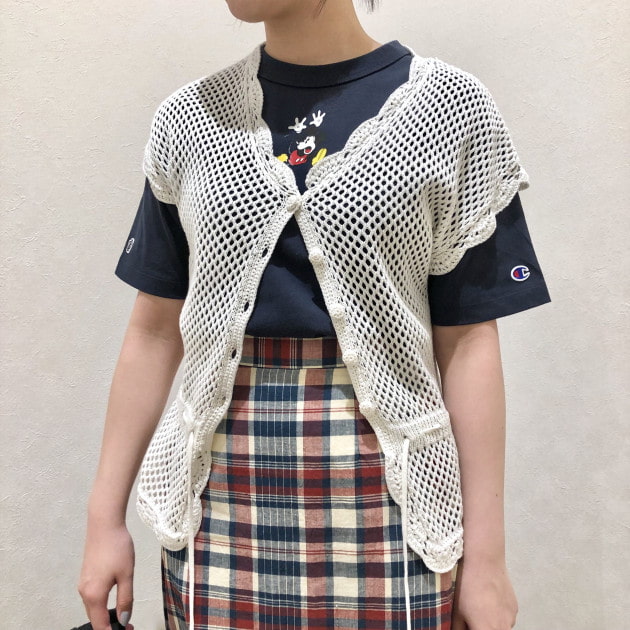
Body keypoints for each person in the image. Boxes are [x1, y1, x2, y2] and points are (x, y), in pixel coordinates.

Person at [78, 1, 551, 629]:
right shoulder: (189, 120)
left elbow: (467, 339)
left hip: (394, 500)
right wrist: (103, 519)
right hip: (216, 500)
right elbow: (155, 330)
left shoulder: (451, 111)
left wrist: (487, 558)